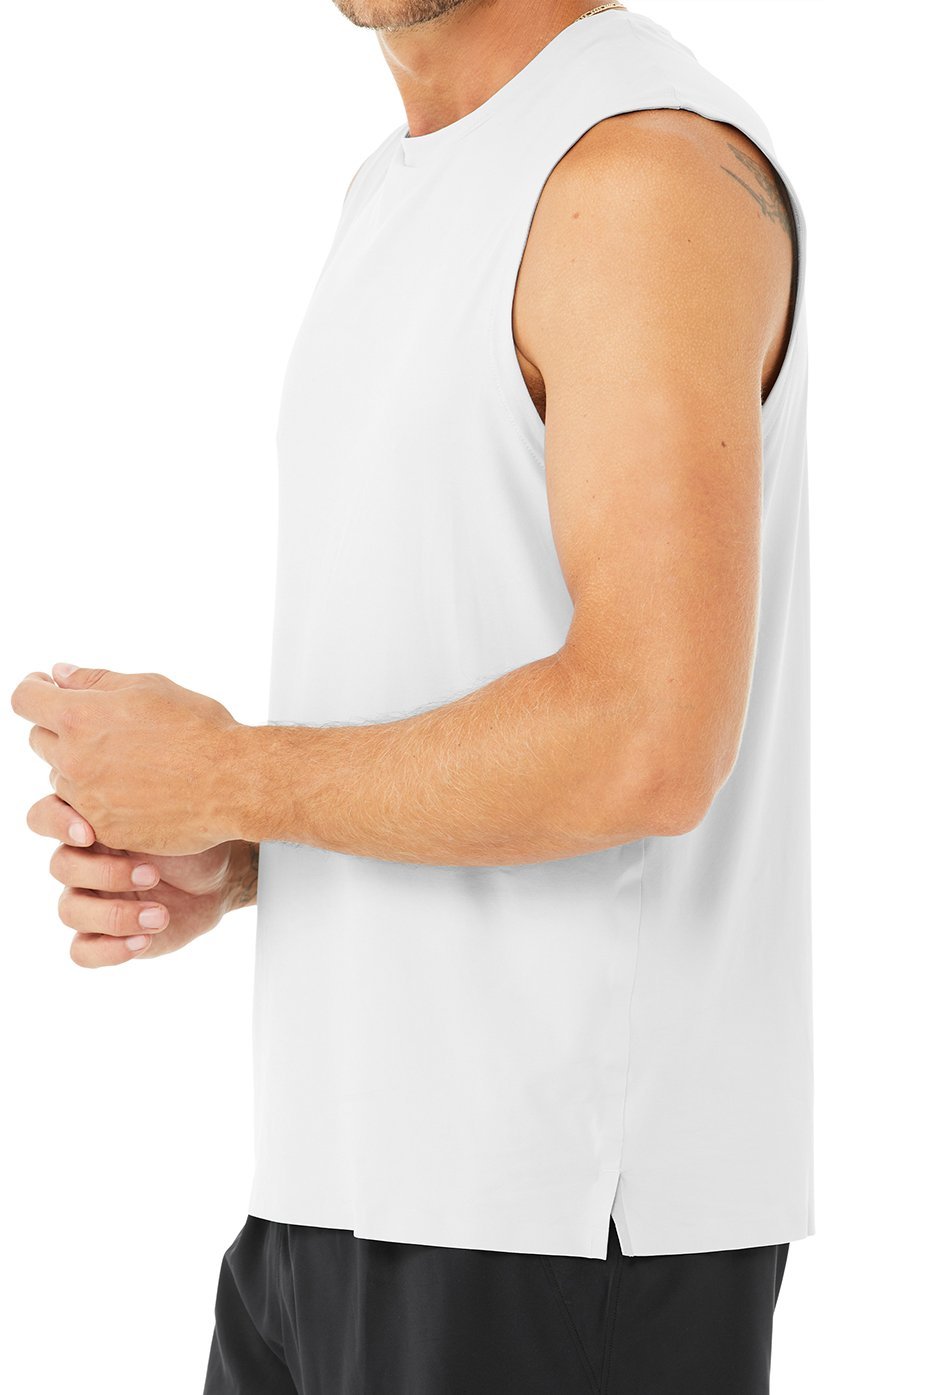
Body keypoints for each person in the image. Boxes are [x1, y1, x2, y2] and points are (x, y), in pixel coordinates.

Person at [11, 2, 813, 1390]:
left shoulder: (638, 170)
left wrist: (231, 773)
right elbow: (460, 663)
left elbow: (646, 743)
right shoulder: (400, 186)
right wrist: (247, 851)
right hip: (330, 1193)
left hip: (548, 1221)